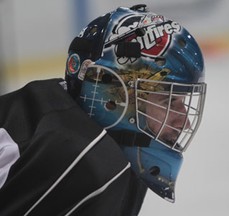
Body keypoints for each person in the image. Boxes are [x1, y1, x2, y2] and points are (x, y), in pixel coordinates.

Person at [0, 4, 206, 216]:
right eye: (167, 102)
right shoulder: (86, 162)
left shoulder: (51, 116)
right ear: (113, 97)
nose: (185, 121)